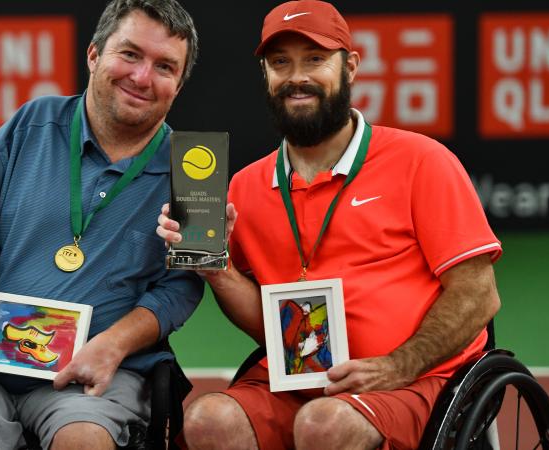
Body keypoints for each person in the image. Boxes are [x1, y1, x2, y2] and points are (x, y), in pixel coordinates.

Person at [157, 1, 502, 449]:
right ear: (265, 74)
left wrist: (398, 364)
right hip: (299, 376)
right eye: (281, 63)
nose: (296, 76)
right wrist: (217, 269)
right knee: (208, 420)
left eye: (315, 60)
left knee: (323, 426)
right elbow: (269, 328)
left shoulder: (422, 161)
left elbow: (478, 293)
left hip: (414, 381)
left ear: (351, 66)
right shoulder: (244, 188)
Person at [0, 1, 203, 449]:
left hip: (93, 371)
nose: (142, 77)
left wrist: (115, 344)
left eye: (164, 66)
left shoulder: (192, 170)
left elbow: (179, 288)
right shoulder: (31, 124)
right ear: (94, 55)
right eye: (130, 54)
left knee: (84, 441)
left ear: (178, 85)